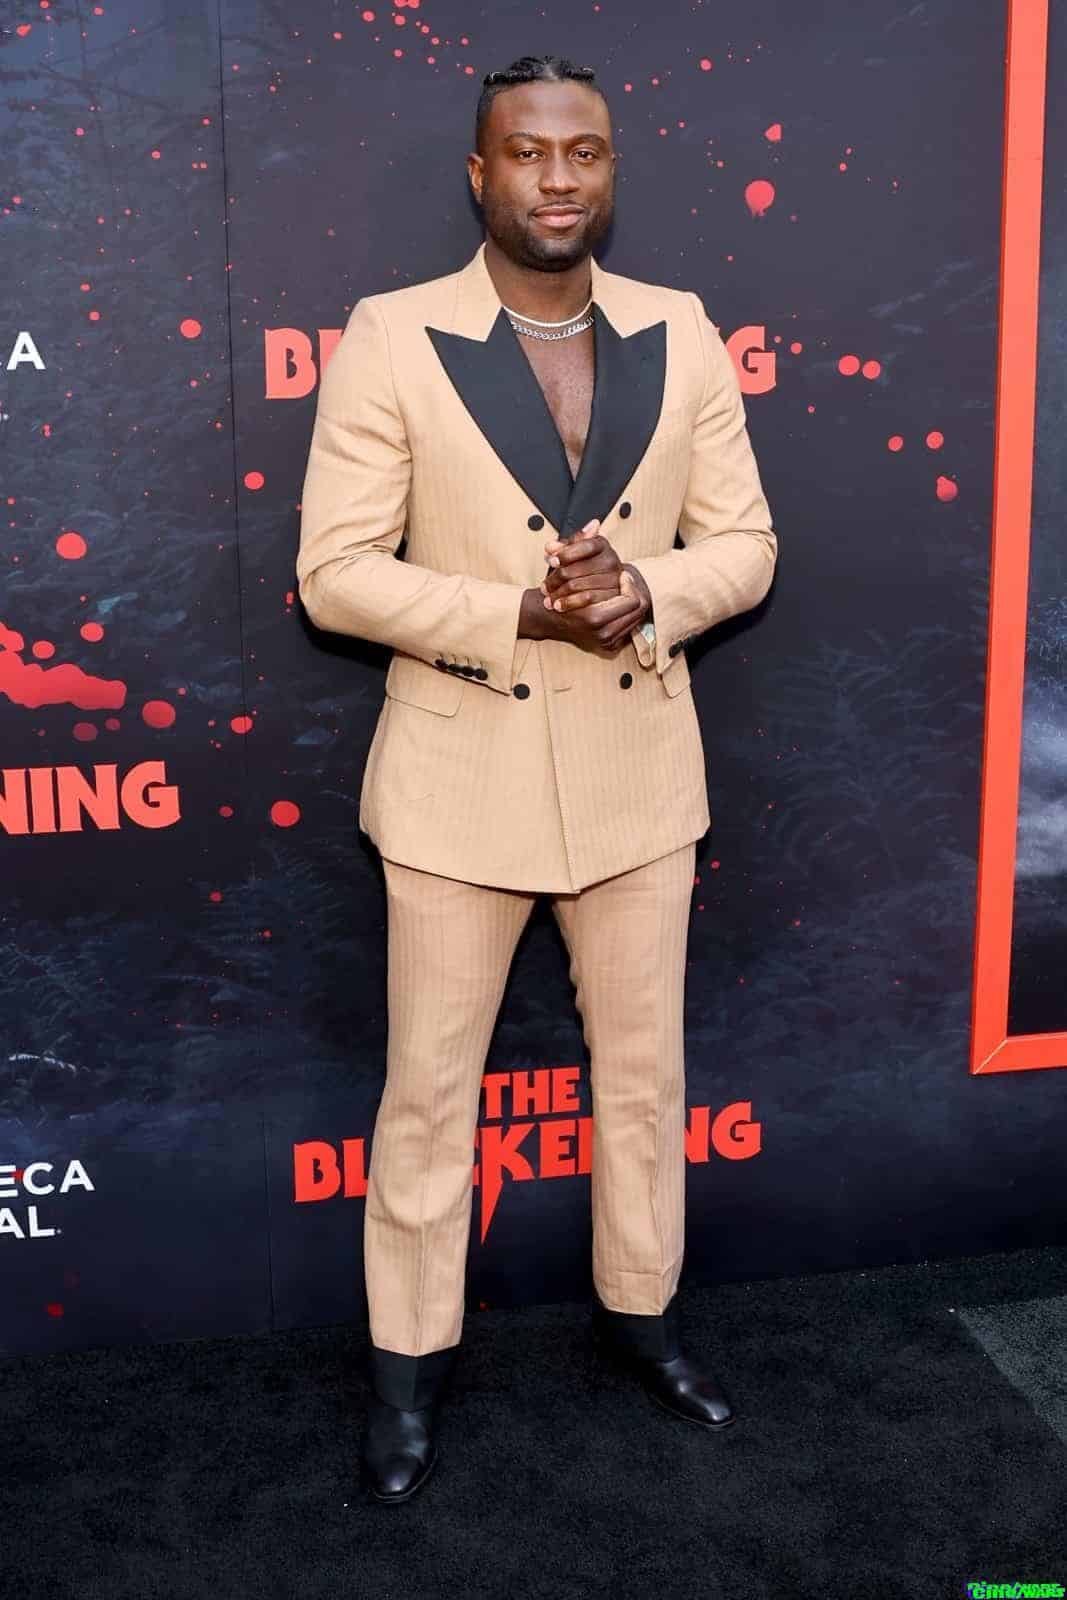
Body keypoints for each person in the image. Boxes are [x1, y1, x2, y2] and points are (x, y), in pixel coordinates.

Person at [296, 52, 778, 1505]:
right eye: (528, 152)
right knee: (428, 1100)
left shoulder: (681, 329)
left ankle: (645, 1319)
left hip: (639, 774)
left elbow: (748, 545)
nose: (558, 177)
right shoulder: (393, 335)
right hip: (458, 780)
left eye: (585, 152)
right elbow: (335, 574)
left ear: (610, 169)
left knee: (644, 1084)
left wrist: (648, 590)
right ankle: (407, 1370)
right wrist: (521, 610)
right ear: (481, 172)